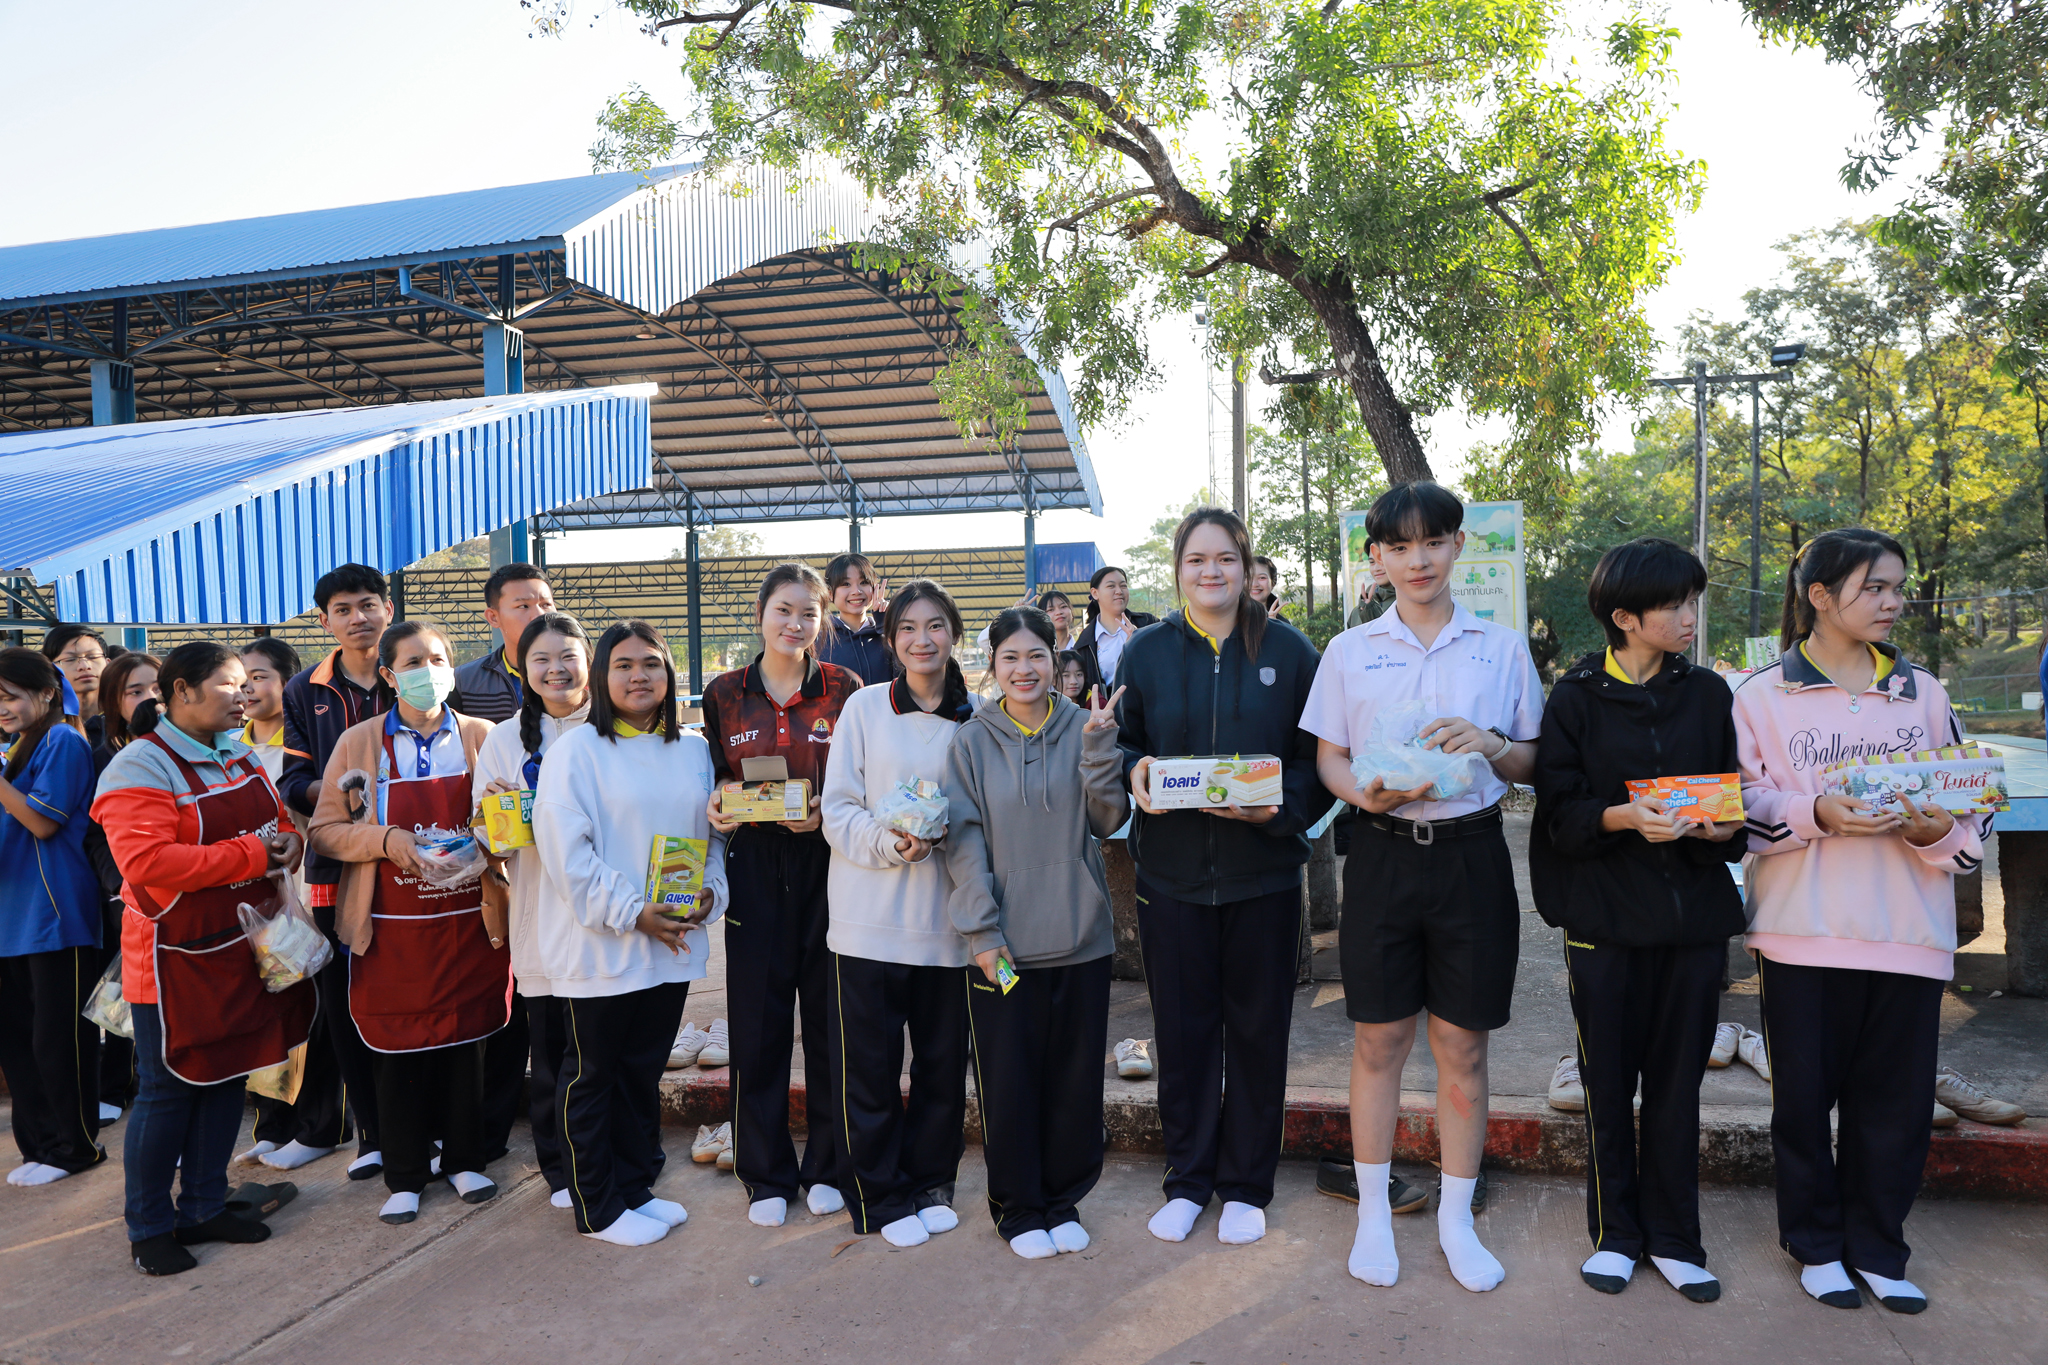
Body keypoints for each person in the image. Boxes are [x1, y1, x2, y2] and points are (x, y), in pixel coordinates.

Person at [1736, 528, 1985, 1314]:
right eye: (1874, 587)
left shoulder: (1925, 694)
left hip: (1909, 932)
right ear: (1819, 596)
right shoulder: (1760, 695)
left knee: (1897, 1107)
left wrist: (1936, 832)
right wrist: (1815, 811)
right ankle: (1815, 1246)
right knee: (1802, 1103)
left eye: (1896, 587)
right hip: (1800, 930)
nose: (1892, 601)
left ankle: (1878, 1247)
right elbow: (1739, 805)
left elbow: (1973, 804)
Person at [1304, 481, 1543, 1293]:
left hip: (1472, 858)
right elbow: (1330, 755)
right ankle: (1373, 1212)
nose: (1418, 560)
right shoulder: (1350, 651)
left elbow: (1533, 761)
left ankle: (1455, 1218)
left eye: (1433, 542)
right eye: (1400, 546)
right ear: (1375, 556)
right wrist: (1361, 794)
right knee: (1378, 1040)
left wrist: (1491, 741)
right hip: (1382, 854)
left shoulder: (1500, 648)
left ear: (1458, 545)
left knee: (1464, 1045)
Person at [1529, 537, 1744, 1303]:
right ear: (1624, 617)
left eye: (1693, 602)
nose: (1690, 617)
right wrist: (1623, 815)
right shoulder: (1576, 697)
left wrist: (1723, 826)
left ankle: (1677, 1239)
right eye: (1674, 605)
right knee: (1609, 1086)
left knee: (1679, 1086)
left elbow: (1733, 805)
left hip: (1693, 926)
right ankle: (1616, 1235)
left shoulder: (1709, 694)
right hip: (1604, 925)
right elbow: (1559, 815)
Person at [1115, 508, 1325, 1248]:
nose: (1212, 571)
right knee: (1183, 1034)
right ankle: (1188, 1179)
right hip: (1170, 879)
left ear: (1246, 565)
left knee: (1259, 1034)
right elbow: (1123, 743)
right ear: (1178, 569)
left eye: (1226, 558)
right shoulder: (1145, 651)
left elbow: (1318, 763)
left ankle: (1245, 1185)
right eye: (1197, 559)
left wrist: (1278, 809)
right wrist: (1135, 771)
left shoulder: (1291, 652)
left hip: (1263, 880)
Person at [92, 643, 311, 1276]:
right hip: (173, 958)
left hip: (241, 948)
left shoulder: (236, 752)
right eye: (228, 685)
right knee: (167, 1090)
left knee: (226, 1074)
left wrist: (287, 844)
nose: (244, 696)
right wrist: (254, 854)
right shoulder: (139, 766)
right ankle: (149, 1228)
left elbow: (275, 821)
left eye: (247, 684)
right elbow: (148, 863)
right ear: (181, 692)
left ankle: (204, 1207)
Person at [531, 620, 726, 1246]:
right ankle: (598, 1208)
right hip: (603, 945)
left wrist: (709, 895)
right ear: (601, 676)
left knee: (641, 1073)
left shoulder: (693, 750)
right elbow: (567, 855)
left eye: (651, 663)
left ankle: (636, 1187)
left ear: (669, 674)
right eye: (623, 665)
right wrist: (634, 912)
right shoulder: (576, 753)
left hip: (670, 944)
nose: (638, 676)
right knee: (593, 1076)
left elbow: (710, 839)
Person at [309, 621, 508, 1227]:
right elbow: (325, 830)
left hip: (467, 920)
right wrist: (387, 839)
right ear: (390, 676)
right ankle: (404, 1173)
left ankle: (465, 1159)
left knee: (466, 1042)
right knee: (395, 1048)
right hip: (389, 925)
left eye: (439, 659)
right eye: (415, 662)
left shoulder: (482, 737)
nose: (430, 671)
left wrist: (484, 839)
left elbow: (510, 816)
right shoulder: (359, 743)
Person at [947, 606, 1127, 1259]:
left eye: (1036, 656)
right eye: (1010, 658)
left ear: (1056, 660)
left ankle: (1062, 1199)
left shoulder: (1085, 724)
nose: (1024, 669)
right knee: (1009, 1078)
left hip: (1081, 940)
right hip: (1004, 950)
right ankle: (1019, 1207)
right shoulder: (970, 742)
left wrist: (1100, 748)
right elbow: (963, 843)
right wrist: (982, 933)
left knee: (1074, 1079)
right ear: (992, 666)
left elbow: (1108, 820)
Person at [702, 563, 863, 1227]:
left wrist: (826, 811)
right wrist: (721, 800)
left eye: (807, 613)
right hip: (755, 866)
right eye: (783, 610)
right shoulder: (724, 693)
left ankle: (826, 1164)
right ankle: (765, 1172)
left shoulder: (844, 689)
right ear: (760, 614)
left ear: (821, 622)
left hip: (828, 864)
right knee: (758, 1025)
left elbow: (859, 774)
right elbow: (715, 773)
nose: (795, 623)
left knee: (829, 1022)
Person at [821, 580, 978, 1247]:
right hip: (869, 927)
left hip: (950, 928)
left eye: (936, 625)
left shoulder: (978, 718)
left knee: (942, 1069)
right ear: (891, 639)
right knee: (871, 1073)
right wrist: (890, 842)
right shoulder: (863, 708)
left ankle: (932, 1181)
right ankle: (878, 1197)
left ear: (954, 635)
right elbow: (837, 809)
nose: (922, 639)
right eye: (908, 627)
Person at [472, 611, 593, 1214]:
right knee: (549, 1056)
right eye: (541, 659)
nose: (556, 669)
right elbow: (487, 842)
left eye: (568, 655)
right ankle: (562, 1168)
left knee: (606, 1053)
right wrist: (499, 816)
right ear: (522, 668)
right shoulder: (504, 740)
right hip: (539, 918)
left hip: (606, 918)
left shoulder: (614, 729)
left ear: (589, 660)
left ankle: (621, 1157)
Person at [277, 563, 393, 1178]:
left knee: (406, 989)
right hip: (332, 867)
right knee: (343, 999)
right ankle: (372, 1133)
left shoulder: (413, 673)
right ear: (325, 621)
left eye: (368, 604)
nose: (358, 618)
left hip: (405, 861)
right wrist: (339, 796)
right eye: (343, 609)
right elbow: (292, 779)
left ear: (388, 609)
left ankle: (418, 1128)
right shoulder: (305, 691)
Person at [449, 563, 559, 1169]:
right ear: (494, 616)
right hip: (500, 870)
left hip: (566, 879)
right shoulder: (466, 685)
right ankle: (488, 1137)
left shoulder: (585, 685)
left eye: (544, 600)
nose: (537, 611)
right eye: (523, 604)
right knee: (509, 1012)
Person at [234, 637, 344, 1164]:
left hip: (301, 895)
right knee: (266, 1012)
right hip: (253, 902)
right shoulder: (229, 749)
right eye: (240, 679)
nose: (247, 689)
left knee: (312, 1012)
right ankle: (271, 1125)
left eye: (259, 677)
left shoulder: (304, 749)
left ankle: (320, 1125)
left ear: (288, 682)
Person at [0, 647, 106, 1187]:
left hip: (55, 914)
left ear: (46, 693)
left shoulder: (63, 740)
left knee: (58, 1041)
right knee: (17, 1041)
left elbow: (43, 822)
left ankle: (76, 1147)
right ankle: (40, 1145)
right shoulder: (16, 749)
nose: (2, 708)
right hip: (12, 919)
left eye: (9, 696)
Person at [450, 563, 556, 724]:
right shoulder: (463, 682)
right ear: (493, 617)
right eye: (523, 606)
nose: (539, 615)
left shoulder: (580, 675)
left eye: (545, 605)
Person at [1075, 566, 1157, 693]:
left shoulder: (1148, 623)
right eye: (1111, 586)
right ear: (1095, 593)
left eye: (1123, 586)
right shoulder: (1084, 643)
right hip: (1108, 704)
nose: (1119, 591)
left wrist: (1140, 641)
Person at [815, 553, 892, 685]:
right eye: (846, 584)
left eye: (864, 582)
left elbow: (907, 673)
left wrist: (887, 626)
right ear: (830, 593)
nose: (856, 591)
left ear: (875, 588)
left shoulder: (887, 634)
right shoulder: (818, 640)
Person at [41, 625, 109, 750]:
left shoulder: (125, 721)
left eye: (93, 657)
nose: (84, 666)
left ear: (108, 663)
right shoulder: (41, 729)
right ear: (51, 669)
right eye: (70, 659)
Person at [93, 652, 161, 769]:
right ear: (113, 701)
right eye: (136, 692)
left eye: (158, 689)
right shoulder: (103, 760)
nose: (152, 698)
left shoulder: (191, 745)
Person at [977, 590, 1079, 656]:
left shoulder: (1081, 648)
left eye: (1063, 607)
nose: (1059, 612)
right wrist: (1012, 614)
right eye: (1051, 610)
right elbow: (983, 640)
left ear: (1072, 612)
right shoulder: (1032, 647)